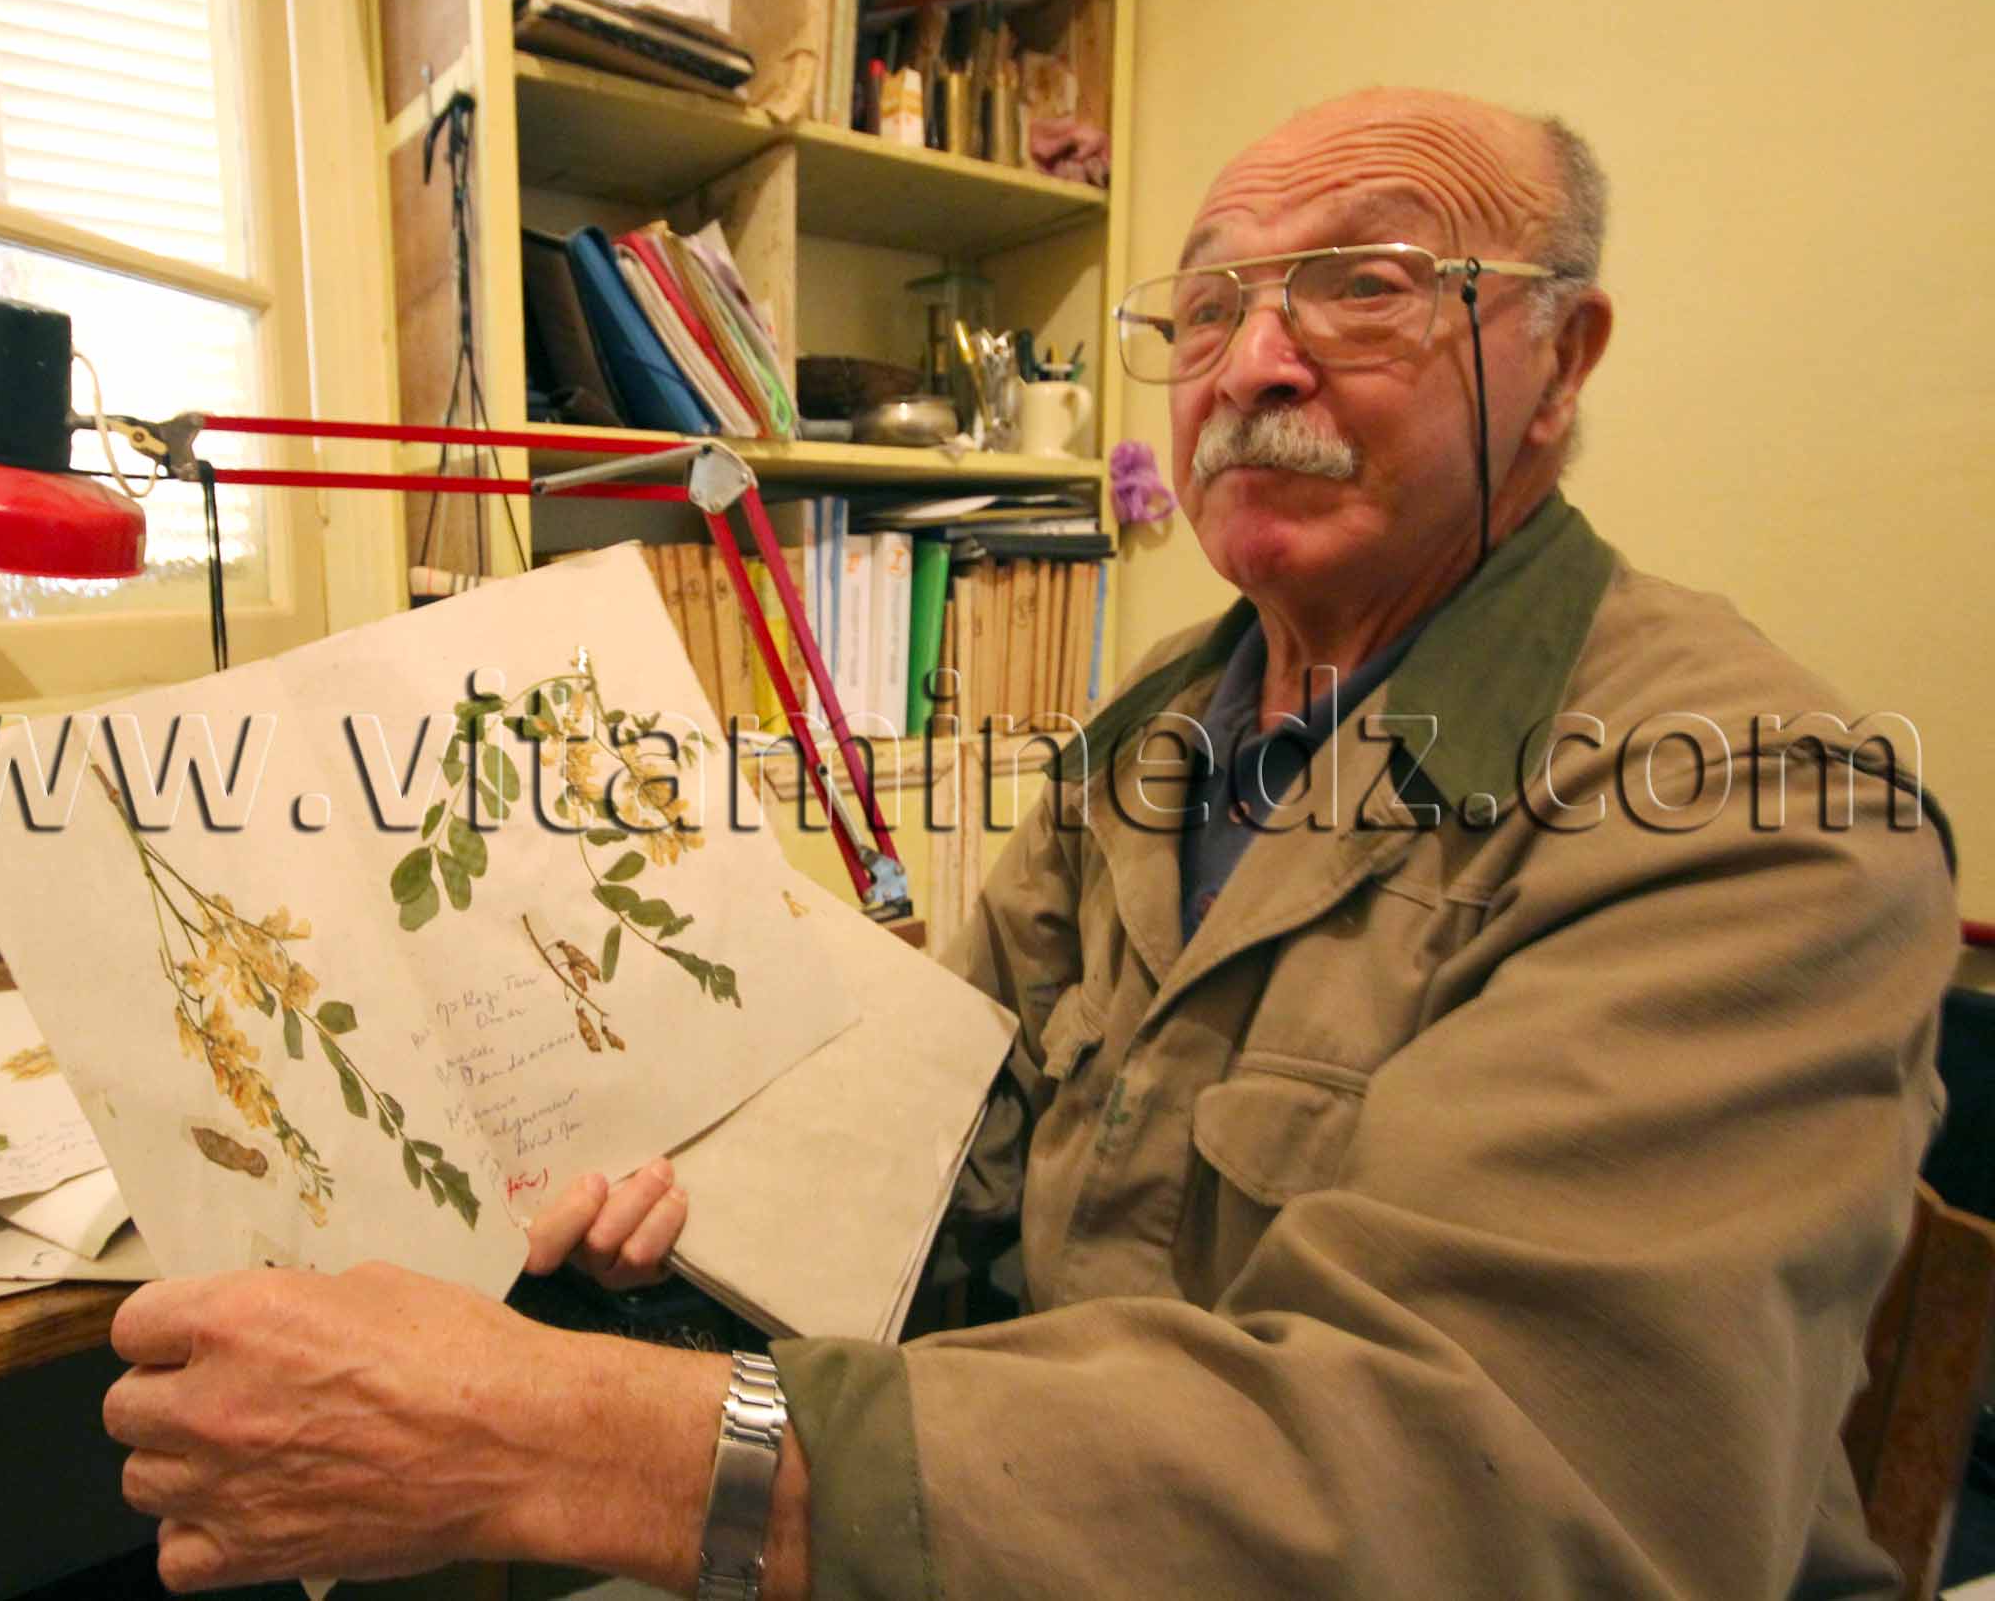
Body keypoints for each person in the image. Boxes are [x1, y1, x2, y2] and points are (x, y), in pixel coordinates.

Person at [99, 88, 1959, 1597]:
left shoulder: (1761, 804)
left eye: (1367, 285)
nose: (1256, 363)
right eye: (1210, 306)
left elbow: (1486, 1494)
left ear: (1563, 358)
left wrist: (553, 1434)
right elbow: (940, 1172)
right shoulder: (1165, 719)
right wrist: (666, 1219)